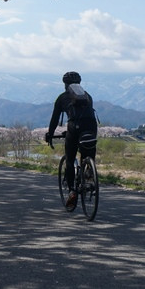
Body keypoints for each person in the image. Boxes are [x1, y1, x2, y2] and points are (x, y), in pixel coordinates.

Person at [45, 71, 98, 209]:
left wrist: (50, 134)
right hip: (91, 127)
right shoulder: (87, 96)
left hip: (75, 127)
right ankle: (89, 174)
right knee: (88, 151)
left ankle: (72, 191)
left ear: (65, 84)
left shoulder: (63, 97)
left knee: (69, 159)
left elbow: (55, 119)